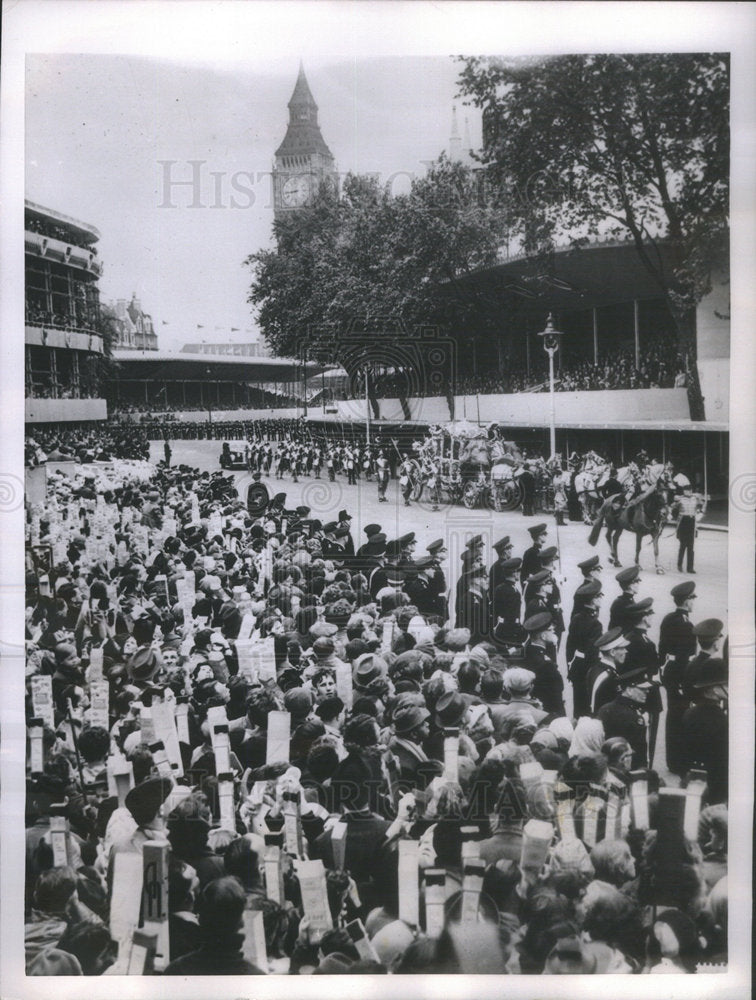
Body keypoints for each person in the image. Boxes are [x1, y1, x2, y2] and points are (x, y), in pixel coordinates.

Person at [659, 581, 698, 775]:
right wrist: (685, 681)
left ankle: (672, 759)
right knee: (680, 716)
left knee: (672, 715)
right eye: (692, 598)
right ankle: (679, 761)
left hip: (670, 671)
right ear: (686, 601)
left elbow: (662, 648)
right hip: (680, 674)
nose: (693, 602)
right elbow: (686, 656)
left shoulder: (668, 619)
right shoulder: (686, 624)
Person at [671, 482, 703, 574]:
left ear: (691, 490)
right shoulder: (680, 499)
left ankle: (690, 568)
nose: (688, 492)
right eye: (686, 490)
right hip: (683, 523)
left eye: (689, 490)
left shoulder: (695, 499)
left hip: (692, 522)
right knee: (683, 545)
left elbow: (701, 506)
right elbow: (673, 507)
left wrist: (701, 510)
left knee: (691, 547)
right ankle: (679, 565)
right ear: (684, 491)